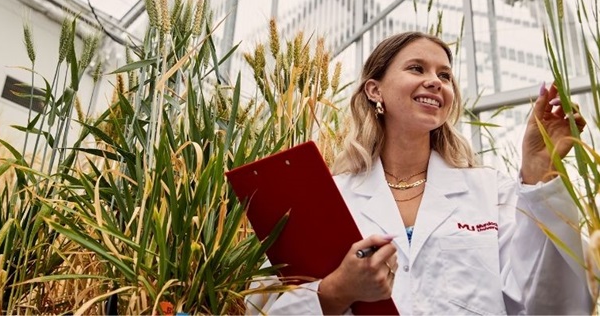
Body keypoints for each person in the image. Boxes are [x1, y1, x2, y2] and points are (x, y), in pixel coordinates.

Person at [245, 31, 593, 315]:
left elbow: (555, 306)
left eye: (444, 75)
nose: (435, 82)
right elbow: (262, 308)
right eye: (416, 68)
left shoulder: (492, 192)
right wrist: (337, 291)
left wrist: (539, 176)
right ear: (374, 90)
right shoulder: (327, 198)